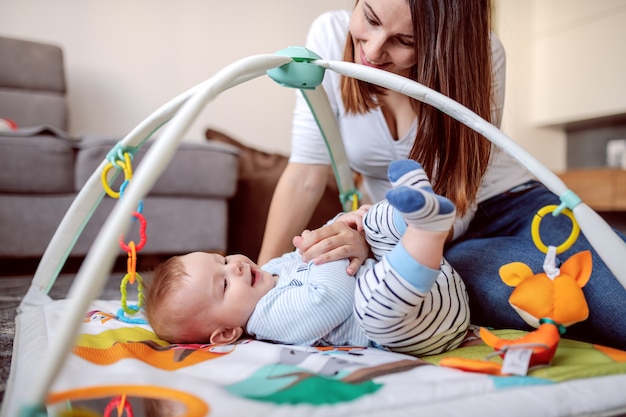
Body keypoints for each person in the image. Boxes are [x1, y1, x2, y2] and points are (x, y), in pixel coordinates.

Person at [257, 0, 626, 350]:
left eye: (405, 41)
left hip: (506, 205)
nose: (373, 49)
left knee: (610, 285)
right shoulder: (327, 38)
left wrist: (372, 237)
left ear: (441, 43)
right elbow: (305, 174)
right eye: (370, 18)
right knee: (548, 287)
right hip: (428, 242)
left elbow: (457, 196)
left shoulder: (480, 54)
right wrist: (261, 285)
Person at [145, 160, 470, 357]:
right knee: (371, 308)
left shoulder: (270, 271)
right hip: (420, 325)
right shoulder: (268, 319)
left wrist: (342, 226)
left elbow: (320, 247)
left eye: (224, 259)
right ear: (228, 332)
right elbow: (332, 298)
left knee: (366, 224)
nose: (236, 266)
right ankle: (426, 233)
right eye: (225, 283)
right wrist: (327, 251)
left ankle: (415, 211)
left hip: (429, 283)